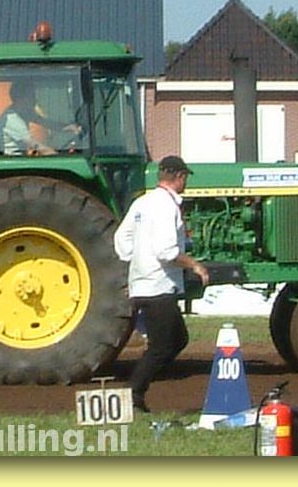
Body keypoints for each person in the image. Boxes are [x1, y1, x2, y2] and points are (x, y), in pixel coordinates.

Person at [113, 155, 209, 413]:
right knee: (162, 347)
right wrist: (195, 265)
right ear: (180, 176)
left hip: (142, 284)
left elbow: (121, 239)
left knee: (179, 339)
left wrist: (136, 264)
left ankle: (143, 382)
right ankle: (134, 392)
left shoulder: (142, 202)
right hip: (158, 287)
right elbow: (166, 252)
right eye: (185, 177)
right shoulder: (167, 206)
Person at [0, 82, 81, 155]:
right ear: (20, 99)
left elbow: (45, 122)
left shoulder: (23, 112)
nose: (35, 100)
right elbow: (35, 145)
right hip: (14, 162)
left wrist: (69, 127)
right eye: (31, 96)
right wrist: (58, 157)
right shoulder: (12, 120)